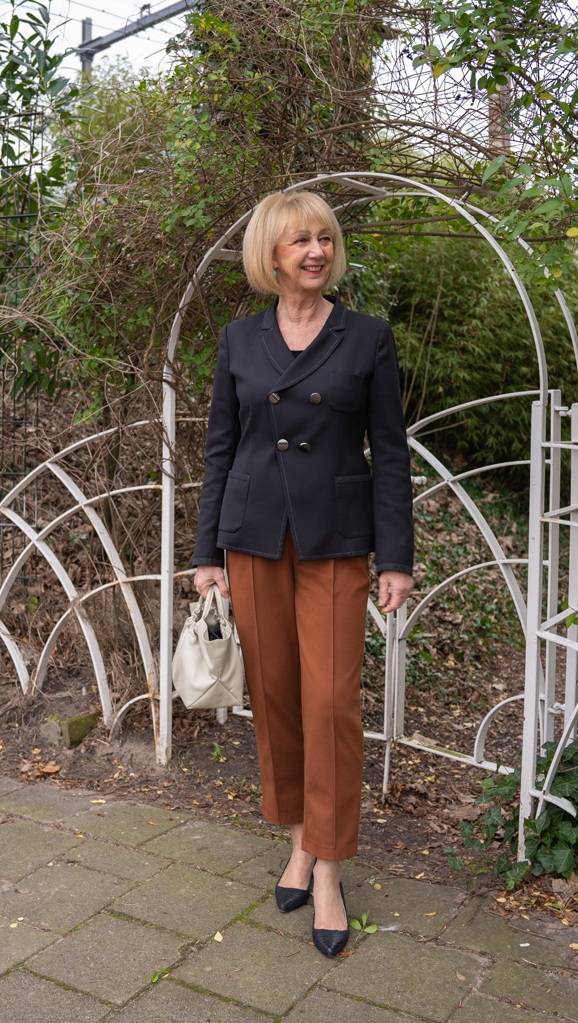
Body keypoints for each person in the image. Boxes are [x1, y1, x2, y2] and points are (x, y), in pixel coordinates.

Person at [192, 190, 414, 957]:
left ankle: (327, 867)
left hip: (334, 541)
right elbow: (220, 449)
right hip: (252, 539)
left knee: (329, 703)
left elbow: (389, 450)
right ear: (270, 254)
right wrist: (204, 555)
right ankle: (297, 839)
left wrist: (395, 558)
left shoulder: (366, 338)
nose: (315, 252)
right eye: (298, 242)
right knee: (278, 698)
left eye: (324, 239)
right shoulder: (237, 339)